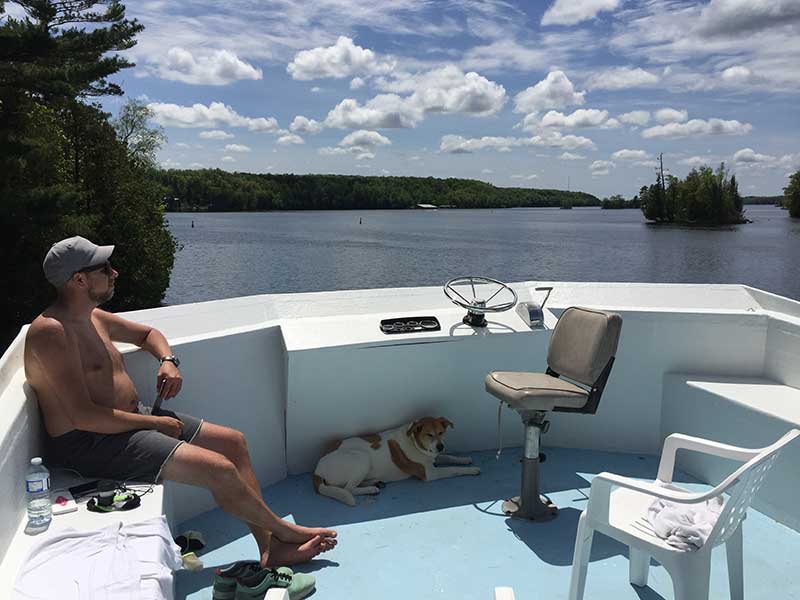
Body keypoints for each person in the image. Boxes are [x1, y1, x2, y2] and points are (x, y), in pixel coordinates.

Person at [23, 236, 336, 567]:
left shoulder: (93, 317)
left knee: (233, 443)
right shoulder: (52, 332)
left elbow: (148, 335)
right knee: (220, 469)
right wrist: (155, 423)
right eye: (105, 268)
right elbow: (82, 416)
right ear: (80, 279)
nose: (115, 273)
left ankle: (269, 548)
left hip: (131, 420)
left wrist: (167, 360)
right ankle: (284, 531)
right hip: (90, 443)